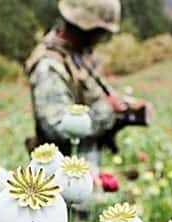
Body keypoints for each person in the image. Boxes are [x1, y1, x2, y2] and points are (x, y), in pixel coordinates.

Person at [25, 0, 150, 166]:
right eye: (100, 32)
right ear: (84, 27)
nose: (101, 38)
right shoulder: (49, 65)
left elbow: (96, 95)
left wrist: (126, 108)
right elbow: (57, 126)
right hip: (61, 173)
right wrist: (108, 111)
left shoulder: (80, 56)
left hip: (87, 164)